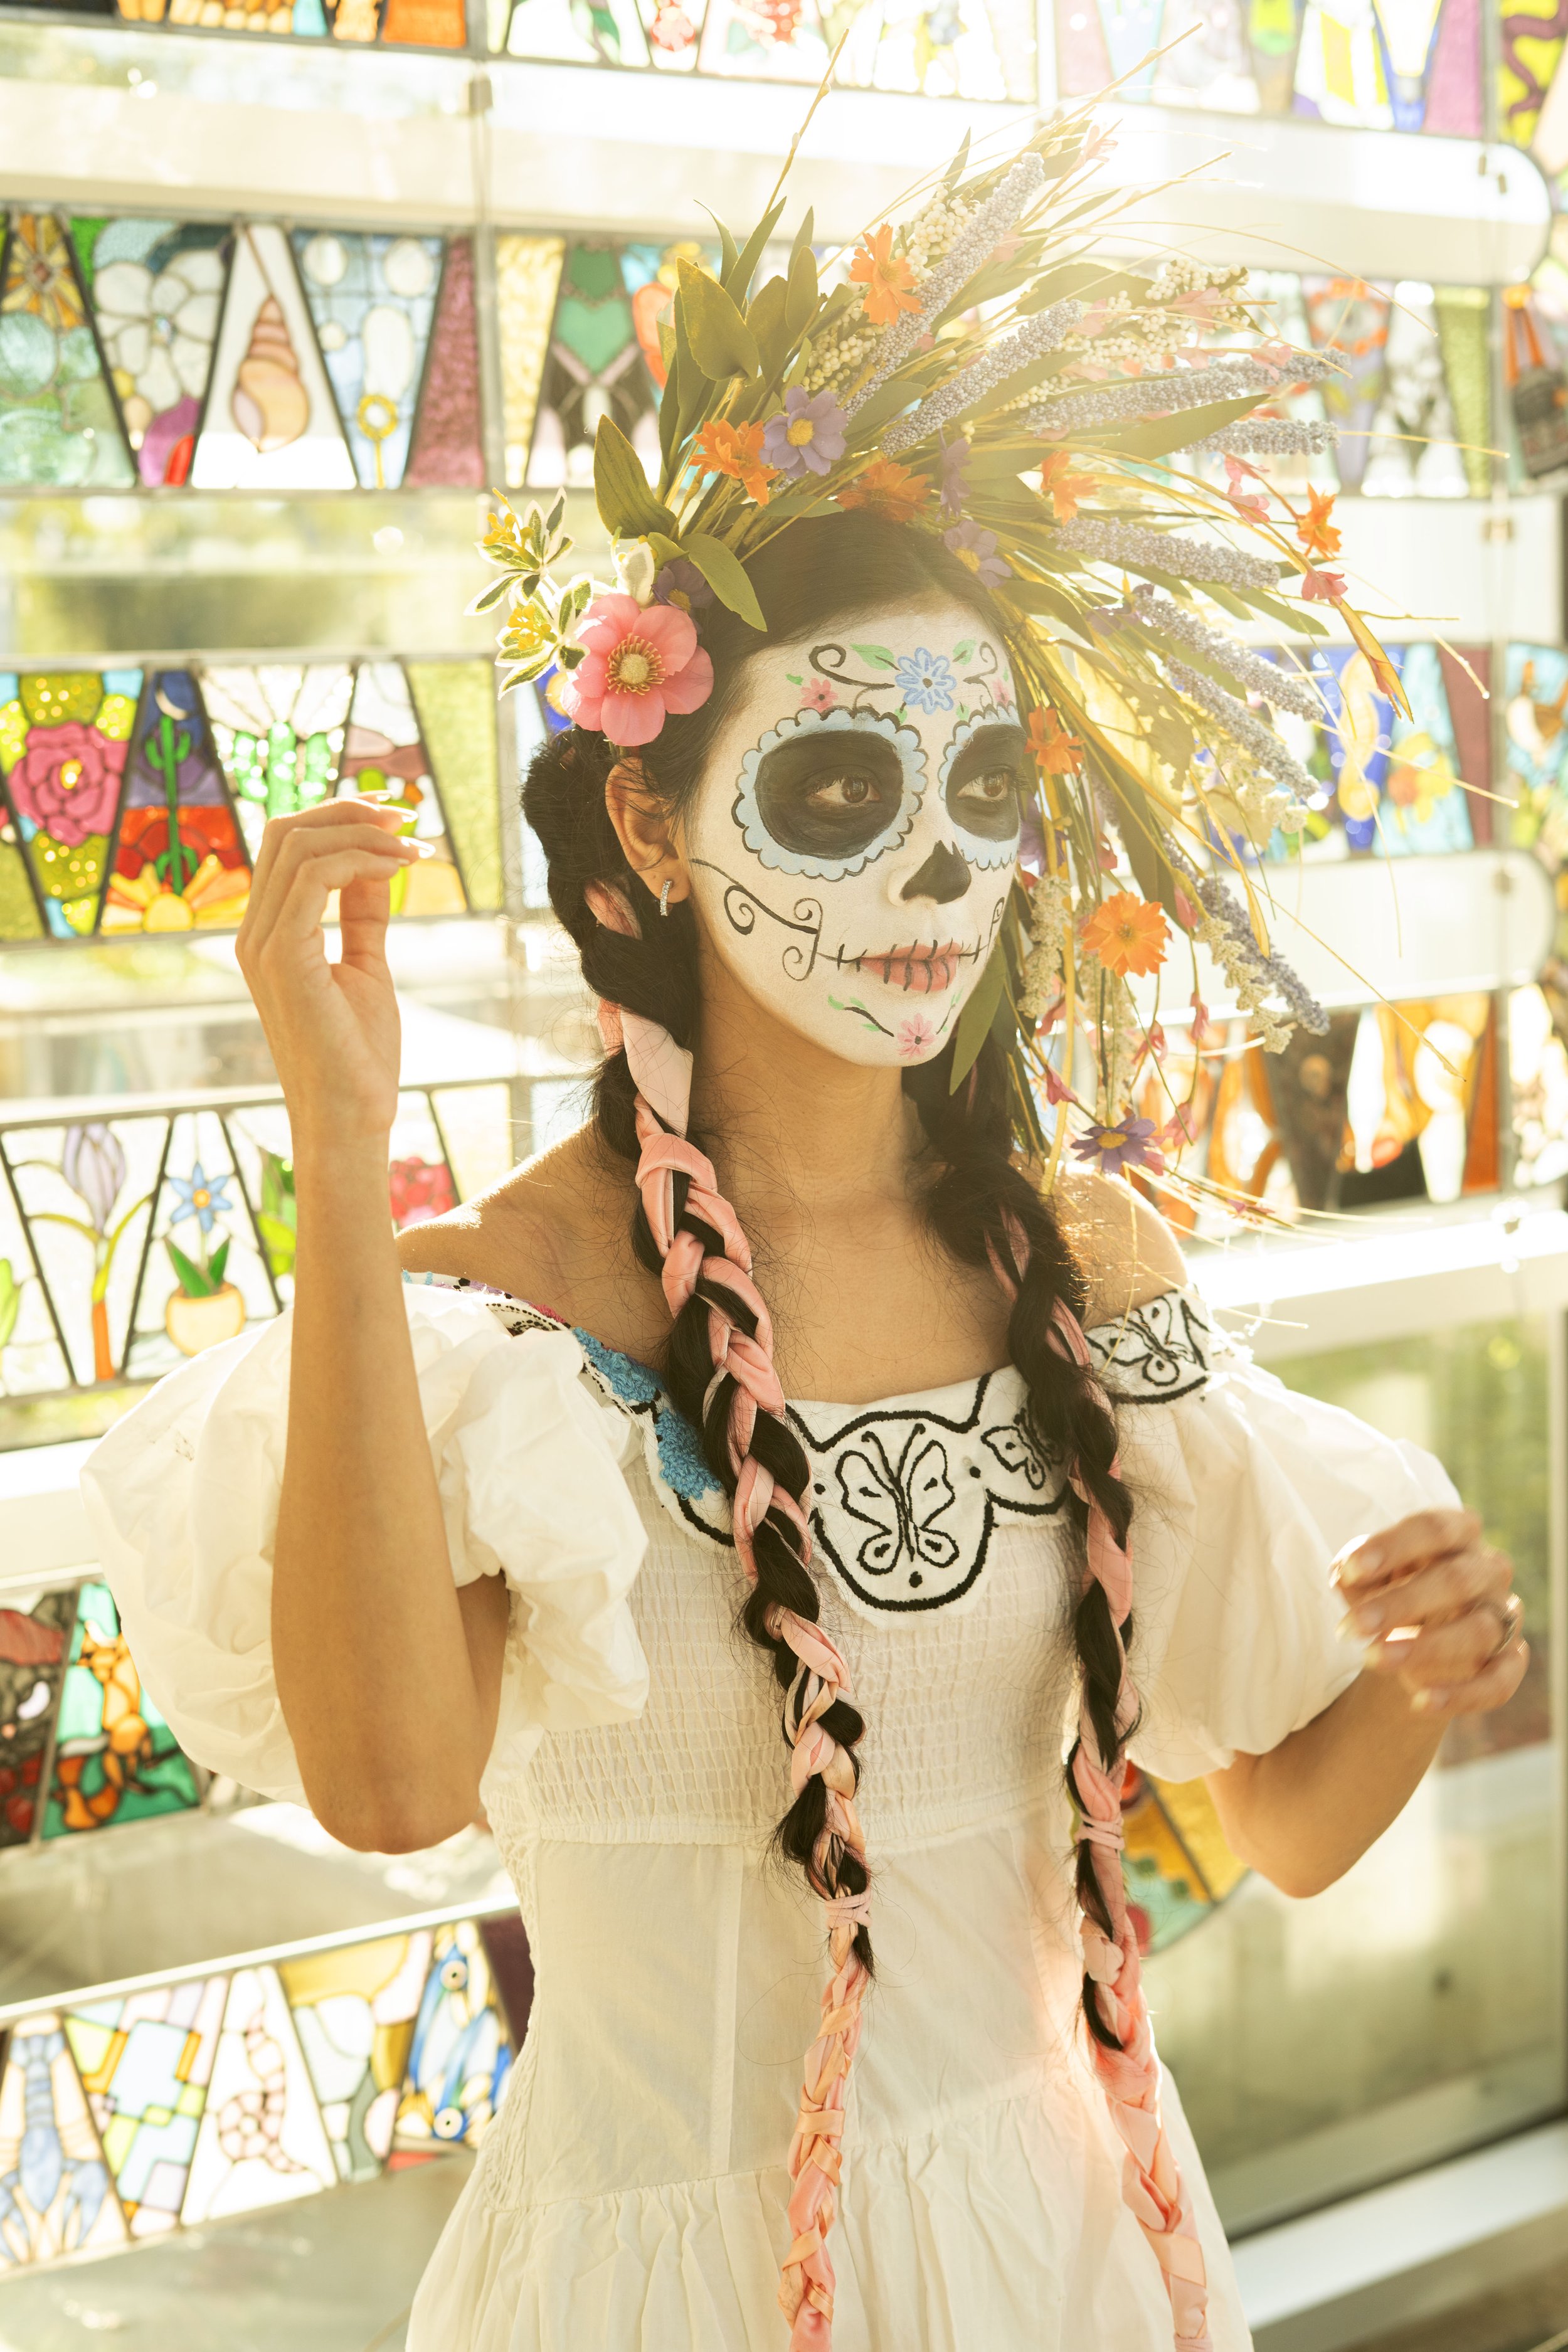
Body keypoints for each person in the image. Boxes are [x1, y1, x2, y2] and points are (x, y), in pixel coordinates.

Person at [84, 132, 1527, 2352]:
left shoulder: (1081, 1260)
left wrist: (1435, 1666)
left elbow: (1287, 1818)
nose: (932, 872)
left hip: (1069, 2255)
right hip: (662, 2288)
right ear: (652, 826)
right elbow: (385, 1790)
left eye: (980, 794)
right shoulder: (505, 1312)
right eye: (837, 793)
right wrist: (342, 1154)